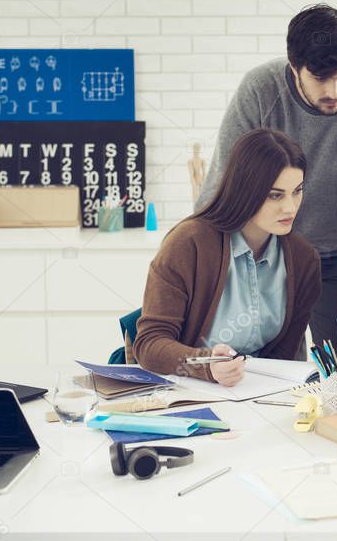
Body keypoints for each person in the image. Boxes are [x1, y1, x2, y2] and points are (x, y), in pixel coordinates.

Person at [195, 4, 337, 347]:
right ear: (294, 67)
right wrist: (198, 260)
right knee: (272, 375)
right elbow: (224, 184)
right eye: (320, 78)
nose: (334, 92)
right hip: (267, 258)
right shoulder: (260, 89)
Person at [134, 129, 321, 388]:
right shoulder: (188, 244)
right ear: (246, 190)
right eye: (275, 195)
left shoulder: (303, 260)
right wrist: (207, 365)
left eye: (297, 191)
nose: (290, 207)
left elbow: (283, 356)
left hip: (256, 395)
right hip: (187, 390)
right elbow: (149, 345)